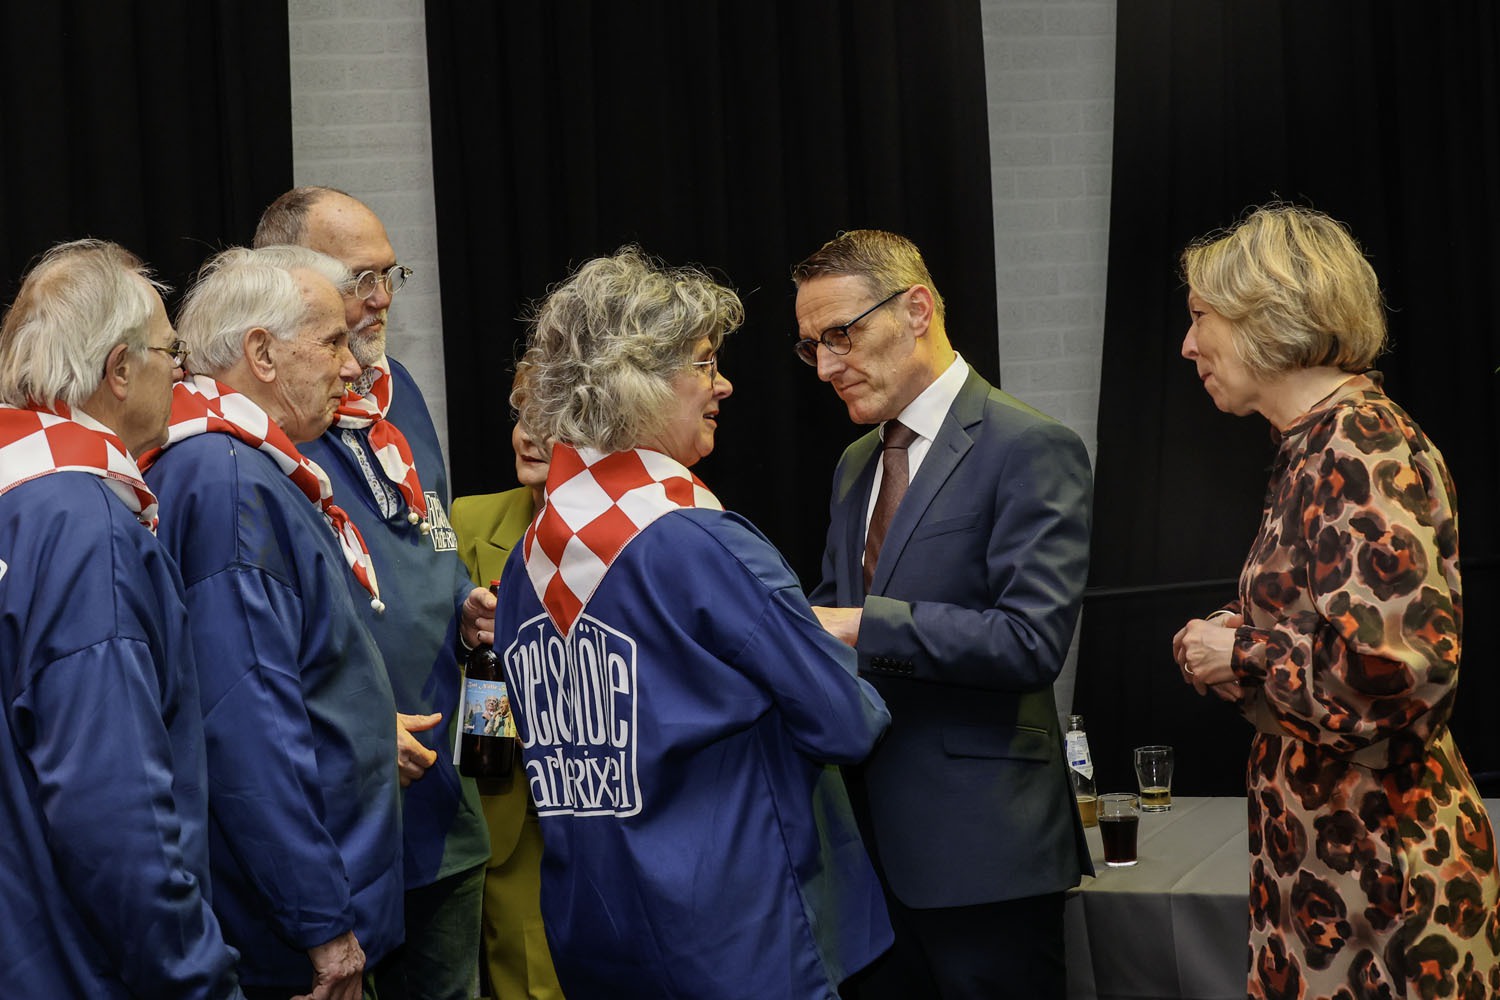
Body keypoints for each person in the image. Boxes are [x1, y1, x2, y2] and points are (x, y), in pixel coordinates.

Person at [496, 246, 893, 999]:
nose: (724, 385)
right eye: (706, 363)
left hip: (595, 935)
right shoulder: (700, 541)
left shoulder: (524, 564)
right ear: (638, 381)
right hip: (741, 935)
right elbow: (846, 720)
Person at [1171, 204, 1500, 999]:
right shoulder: (1315, 444)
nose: (1187, 345)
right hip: (1335, 871)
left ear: (1268, 312)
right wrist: (1243, 639)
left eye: (1199, 316)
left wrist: (1242, 654)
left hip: (1384, 889)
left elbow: (1397, 676)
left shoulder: (1359, 443)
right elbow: (1336, 632)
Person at [792, 229, 1093, 999]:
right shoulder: (854, 464)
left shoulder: (1030, 446)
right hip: (863, 857)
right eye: (812, 347)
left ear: (917, 309)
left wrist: (861, 625)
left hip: (986, 858)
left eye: (840, 335)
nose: (826, 366)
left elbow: (1031, 642)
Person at [140, 245, 403, 1000]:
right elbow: (245, 722)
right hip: (289, 939)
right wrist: (322, 924)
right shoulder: (228, 481)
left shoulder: (236, 467)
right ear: (260, 352)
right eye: (329, 342)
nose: (351, 366)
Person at [255, 188, 491, 1000]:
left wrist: (463, 603)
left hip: (443, 815)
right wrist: (353, 731)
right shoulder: (258, 428)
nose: (382, 299)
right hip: (339, 816)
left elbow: (427, 540)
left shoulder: (404, 398)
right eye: (361, 278)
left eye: (392, 275)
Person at [0, 240, 244, 999]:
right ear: (118, 370)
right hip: (75, 965)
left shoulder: (17, 497)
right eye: (172, 352)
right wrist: (199, 981)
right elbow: (114, 815)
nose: (183, 371)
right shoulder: (85, 526)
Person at [450, 369, 565, 1000]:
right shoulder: (470, 520)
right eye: (524, 416)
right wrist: (472, 638)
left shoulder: (647, 524)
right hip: (513, 802)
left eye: (554, 420)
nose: (530, 436)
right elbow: (431, 651)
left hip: (621, 811)